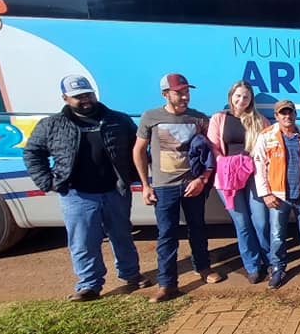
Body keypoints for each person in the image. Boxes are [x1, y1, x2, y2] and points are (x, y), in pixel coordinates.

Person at [23, 75, 151, 302]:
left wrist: (138, 178)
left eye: (88, 94)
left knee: (122, 235)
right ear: (65, 98)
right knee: (83, 240)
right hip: (77, 194)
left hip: (115, 190)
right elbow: (33, 153)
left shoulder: (117, 120)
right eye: (78, 97)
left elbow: (137, 149)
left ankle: (131, 274)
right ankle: (89, 285)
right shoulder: (52, 125)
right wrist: (47, 181)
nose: (85, 100)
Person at [133, 73, 222, 303]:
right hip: (163, 187)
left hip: (192, 184)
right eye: (179, 92)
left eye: (187, 92)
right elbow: (138, 151)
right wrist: (145, 185)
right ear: (166, 94)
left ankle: (203, 269)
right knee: (167, 235)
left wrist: (202, 179)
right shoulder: (151, 117)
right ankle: (167, 284)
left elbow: (210, 153)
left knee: (198, 228)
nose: (185, 96)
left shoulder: (198, 119)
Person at [252, 99, 300, 288]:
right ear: (276, 116)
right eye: (282, 113)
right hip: (278, 196)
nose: (287, 116)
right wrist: (265, 194)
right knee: (277, 234)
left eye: (290, 112)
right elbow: (259, 165)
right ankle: (278, 268)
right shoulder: (267, 136)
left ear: (295, 114)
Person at [207, 81, 270, 284]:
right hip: (228, 178)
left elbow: (268, 146)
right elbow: (213, 146)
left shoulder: (260, 120)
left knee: (260, 221)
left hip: (254, 176)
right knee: (242, 224)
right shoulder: (219, 118)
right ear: (231, 97)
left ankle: (269, 260)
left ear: (251, 99)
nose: (242, 100)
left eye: (246, 96)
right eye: (238, 96)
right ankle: (252, 265)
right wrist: (226, 164)